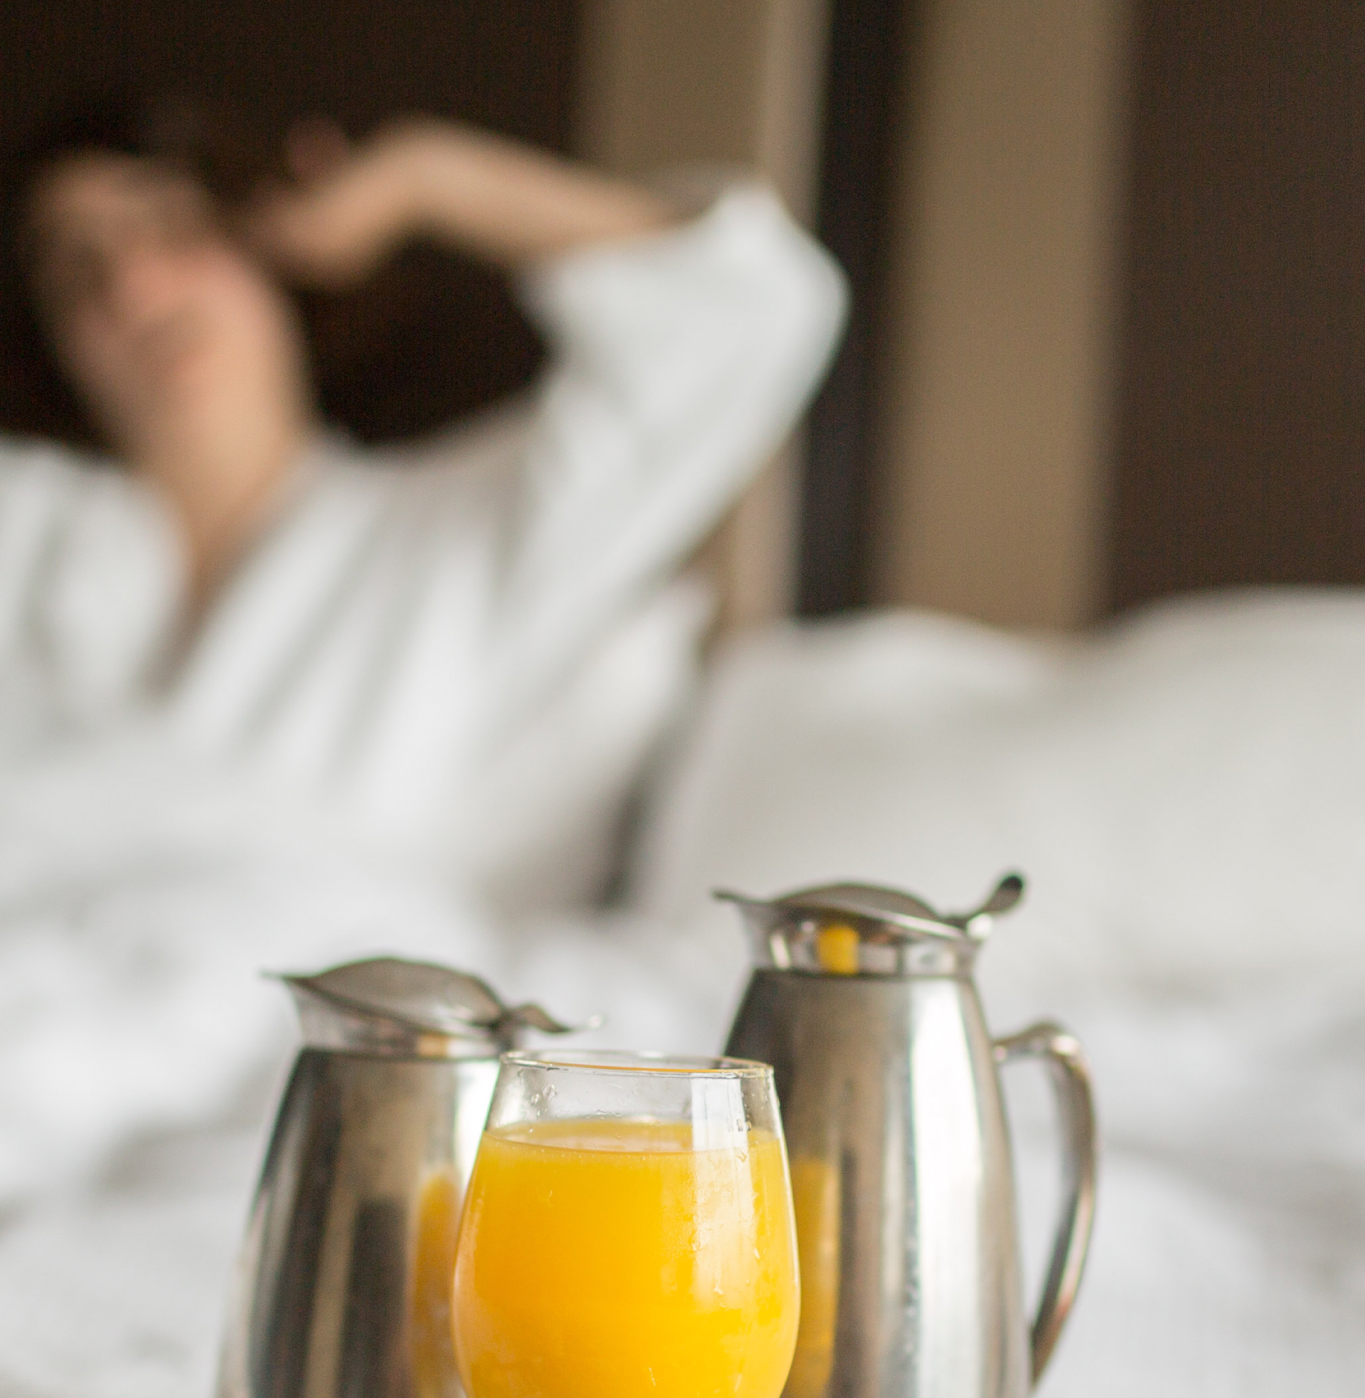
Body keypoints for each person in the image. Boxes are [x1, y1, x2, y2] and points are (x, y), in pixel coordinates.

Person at [0, 103, 845, 908]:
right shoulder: (34, 527)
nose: (131, 287)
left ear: (272, 248)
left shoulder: (456, 531)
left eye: (174, 230)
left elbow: (753, 310)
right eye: (75, 270)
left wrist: (425, 176)